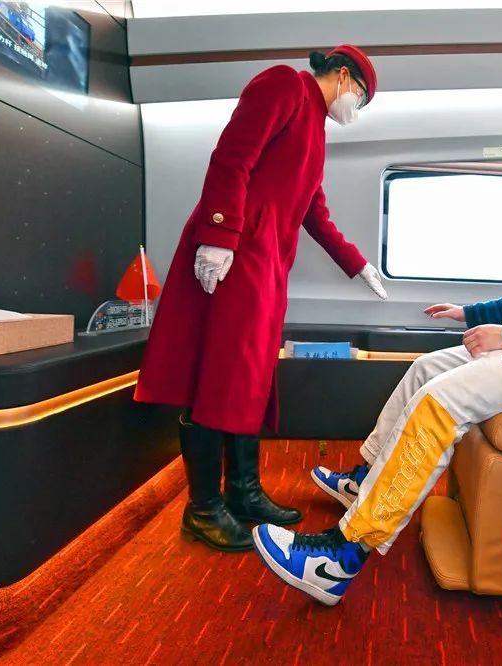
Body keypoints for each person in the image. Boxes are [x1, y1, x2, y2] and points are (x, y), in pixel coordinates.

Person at [252, 130, 502, 604]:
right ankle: (366, 479)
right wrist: (469, 313)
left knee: (439, 401)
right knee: (427, 368)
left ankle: (340, 558)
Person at [134, 45, 388, 552]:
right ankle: (203, 509)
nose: (356, 108)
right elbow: (232, 157)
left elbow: (313, 210)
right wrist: (219, 235)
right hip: (235, 253)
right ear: (343, 75)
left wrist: (357, 264)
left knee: (247, 376)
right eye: (360, 97)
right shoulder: (284, 86)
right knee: (221, 374)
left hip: (265, 264)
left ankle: (243, 492)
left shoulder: (315, 128)